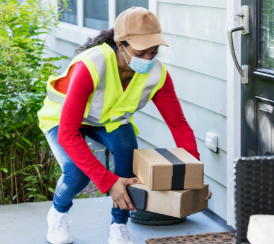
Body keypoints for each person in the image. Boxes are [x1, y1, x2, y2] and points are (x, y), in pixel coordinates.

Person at [38, 7, 212, 244]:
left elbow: (178, 125)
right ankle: (58, 213)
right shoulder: (91, 65)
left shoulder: (157, 74)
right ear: (121, 45)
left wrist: (193, 176)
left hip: (106, 121)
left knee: (127, 147)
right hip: (62, 120)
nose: (148, 59)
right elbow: (68, 133)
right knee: (76, 175)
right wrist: (108, 181)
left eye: (154, 52)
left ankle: (119, 225)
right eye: (142, 52)